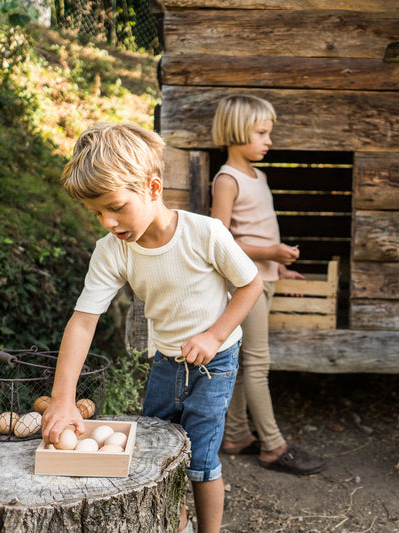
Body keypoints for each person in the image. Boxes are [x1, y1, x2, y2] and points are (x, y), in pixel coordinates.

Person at [40, 123, 263, 533]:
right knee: (158, 451)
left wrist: (214, 336)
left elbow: (251, 284)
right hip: (166, 361)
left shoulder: (205, 233)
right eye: (97, 214)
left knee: (200, 459)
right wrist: (62, 398)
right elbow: (84, 321)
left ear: (153, 188)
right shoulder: (112, 251)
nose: (108, 221)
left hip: (217, 362)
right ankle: (176, 527)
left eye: (116, 207)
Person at [210, 95, 326, 476]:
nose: (269, 141)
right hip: (246, 285)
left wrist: (279, 267)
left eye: (268, 133)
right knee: (258, 364)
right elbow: (221, 240)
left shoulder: (258, 176)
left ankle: (237, 436)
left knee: (247, 365)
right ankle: (273, 447)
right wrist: (272, 252)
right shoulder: (226, 180)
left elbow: (258, 229)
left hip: (265, 279)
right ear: (236, 132)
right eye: (261, 133)